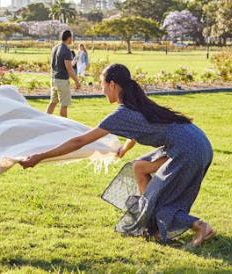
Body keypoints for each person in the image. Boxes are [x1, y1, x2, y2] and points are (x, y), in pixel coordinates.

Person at [20, 63, 214, 247]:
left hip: (187, 149)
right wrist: (125, 149)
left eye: (102, 85)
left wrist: (39, 157)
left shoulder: (122, 113)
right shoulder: (138, 102)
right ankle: (150, 223)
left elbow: (78, 142)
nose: (102, 90)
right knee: (139, 167)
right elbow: (139, 130)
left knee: (159, 199)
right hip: (198, 141)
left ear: (112, 85)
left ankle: (200, 226)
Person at [47, 30, 82, 118]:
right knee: (64, 104)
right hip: (62, 80)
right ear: (69, 38)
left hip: (53, 78)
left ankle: (44, 121)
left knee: (53, 102)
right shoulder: (66, 50)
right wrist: (77, 81)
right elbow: (69, 68)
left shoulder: (55, 48)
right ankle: (64, 125)